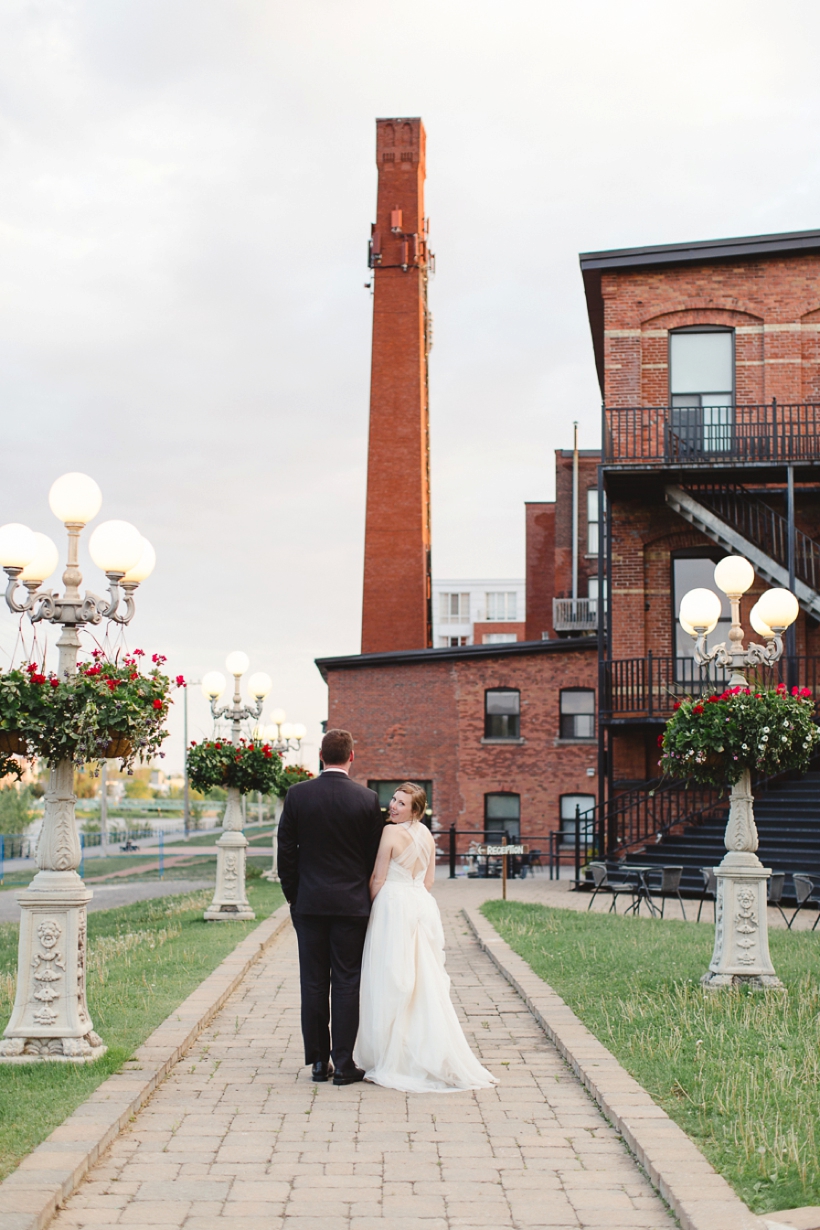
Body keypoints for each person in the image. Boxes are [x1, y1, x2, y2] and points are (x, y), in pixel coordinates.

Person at [355, 782, 497, 1092]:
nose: (393, 806)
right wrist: (413, 898)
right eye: (393, 799)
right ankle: (420, 1046)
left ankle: (391, 1053)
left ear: (415, 810)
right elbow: (429, 880)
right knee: (420, 978)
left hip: (393, 906)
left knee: (392, 977)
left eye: (401, 803)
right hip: (420, 906)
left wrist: (372, 910)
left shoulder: (390, 833)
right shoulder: (427, 837)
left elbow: (378, 878)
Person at [277, 728, 383, 1086]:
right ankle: (344, 1062)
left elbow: (285, 854)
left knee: (313, 983)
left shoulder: (297, 795)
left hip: (308, 904)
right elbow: (372, 859)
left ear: (320, 755)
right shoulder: (367, 800)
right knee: (347, 982)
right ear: (351, 757)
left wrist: (294, 895)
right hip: (352, 906)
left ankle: (319, 1063)